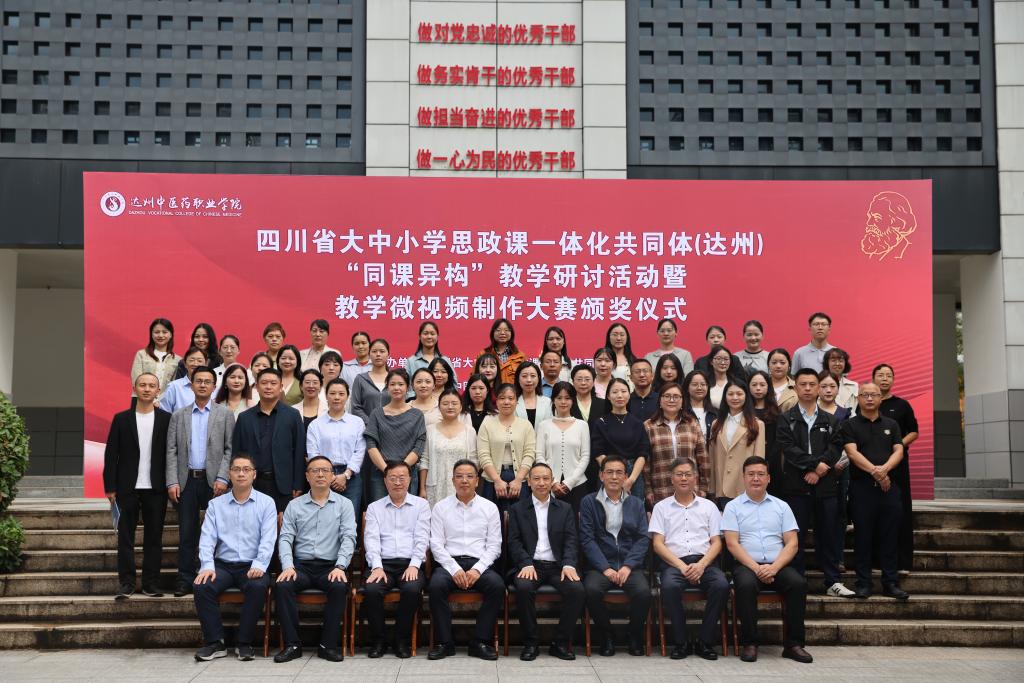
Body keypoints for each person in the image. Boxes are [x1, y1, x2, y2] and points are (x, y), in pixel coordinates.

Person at [722, 456, 812, 664]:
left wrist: (773, 568)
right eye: (751, 474)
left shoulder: (782, 506)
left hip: (777, 564)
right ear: (743, 478)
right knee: (745, 585)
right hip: (747, 565)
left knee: (798, 584)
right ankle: (750, 643)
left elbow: (792, 543)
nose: (756, 478)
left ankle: (794, 645)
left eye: (761, 474)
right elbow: (732, 544)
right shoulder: (733, 507)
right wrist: (757, 568)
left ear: (769, 478)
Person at [775, 369, 853, 598]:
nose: (808, 388)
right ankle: (797, 582)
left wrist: (821, 468)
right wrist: (813, 466)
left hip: (825, 486)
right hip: (796, 486)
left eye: (812, 384)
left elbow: (836, 446)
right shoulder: (786, 419)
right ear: (796, 387)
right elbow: (788, 448)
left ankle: (833, 581)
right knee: (795, 536)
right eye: (803, 384)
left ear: (819, 388)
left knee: (828, 534)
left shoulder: (831, 420)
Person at [192, 453, 278, 662]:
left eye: (246, 469)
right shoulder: (216, 505)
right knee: (202, 586)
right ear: (229, 474)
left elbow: (268, 539)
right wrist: (207, 566)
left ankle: (244, 643)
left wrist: (260, 564)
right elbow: (207, 538)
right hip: (223, 565)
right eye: (236, 469)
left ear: (254, 474)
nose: (241, 473)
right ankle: (215, 643)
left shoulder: (266, 503)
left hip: (252, 565)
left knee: (257, 586)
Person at [272, 455, 356, 663]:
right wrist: (288, 566)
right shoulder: (294, 505)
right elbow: (285, 538)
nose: (320, 474)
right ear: (307, 476)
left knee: (339, 587)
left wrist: (340, 566)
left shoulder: (344, 505)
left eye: (325, 470)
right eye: (315, 470)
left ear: (332, 475)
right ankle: (292, 645)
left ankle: (327, 645)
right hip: (301, 567)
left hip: (331, 566)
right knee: (283, 586)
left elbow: (349, 538)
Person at [649, 457, 729, 660]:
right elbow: (658, 544)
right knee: (669, 587)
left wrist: (701, 565)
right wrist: (682, 567)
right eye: (679, 474)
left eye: (688, 474)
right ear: (671, 479)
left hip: (705, 561)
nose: (683, 478)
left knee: (721, 585)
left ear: (695, 478)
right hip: (673, 563)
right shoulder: (661, 507)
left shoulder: (709, 507)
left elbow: (717, 543)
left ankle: (705, 642)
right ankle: (681, 642)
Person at [166, 366, 235, 597]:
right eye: (199, 381)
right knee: (187, 534)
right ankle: (185, 579)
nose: (203, 385)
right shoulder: (179, 415)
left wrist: (223, 477)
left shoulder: (225, 414)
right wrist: (172, 481)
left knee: (218, 533)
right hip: (186, 481)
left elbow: (230, 448)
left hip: (215, 482)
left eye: (207, 381)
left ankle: (214, 576)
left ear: (214, 387)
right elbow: (171, 451)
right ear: (192, 385)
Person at [427, 459, 505, 661]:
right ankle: (445, 643)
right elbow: (436, 545)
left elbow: (494, 546)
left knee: (497, 586)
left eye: (469, 476)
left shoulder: (489, 508)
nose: (464, 480)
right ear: (452, 480)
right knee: (435, 585)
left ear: (477, 481)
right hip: (449, 563)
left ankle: (479, 641)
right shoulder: (440, 508)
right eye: (459, 476)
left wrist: (477, 570)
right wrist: (454, 569)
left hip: (479, 564)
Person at [507, 462, 585, 661]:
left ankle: (560, 643)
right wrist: (525, 563)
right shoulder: (517, 509)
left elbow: (571, 540)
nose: (541, 483)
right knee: (523, 588)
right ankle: (531, 642)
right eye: (536, 479)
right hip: (531, 565)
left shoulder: (565, 509)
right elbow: (514, 542)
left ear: (552, 482)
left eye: (545, 479)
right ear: (528, 482)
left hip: (558, 566)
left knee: (576, 590)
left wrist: (569, 564)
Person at [841, 382, 911, 600]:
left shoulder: (891, 424)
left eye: (874, 395)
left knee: (890, 536)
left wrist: (885, 470)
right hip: (862, 489)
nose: (869, 398)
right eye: (865, 395)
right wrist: (876, 473)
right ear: (858, 398)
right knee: (863, 537)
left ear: (881, 398)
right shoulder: (850, 425)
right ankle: (864, 583)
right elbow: (852, 453)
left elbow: (899, 451)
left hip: (890, 488)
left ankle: (890, 583)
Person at [104, 373, 170, 599]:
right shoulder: (121, 419)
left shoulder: (166, 419)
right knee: (125, 538)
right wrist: (110, 487)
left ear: (158, 391)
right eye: (142, 385)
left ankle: (151, 584)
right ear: (134, 388)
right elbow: (111, 455)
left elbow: (171, 453)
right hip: (126, 487)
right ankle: (127, 584)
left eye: (152, 386)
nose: (147, 389)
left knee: (154, 538)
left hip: (156, 487)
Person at [579, 455, 651, 657]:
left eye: (619, 472)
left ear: (626, 477)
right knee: (591, 590)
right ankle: (606, 636)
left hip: (629, 565)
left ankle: (634, 635)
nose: (614, 477)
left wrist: (628, 566)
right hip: (601, 565)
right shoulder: (589, 502)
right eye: (609, 472)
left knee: (643, 593)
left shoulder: (636, 503)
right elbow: (587, 540)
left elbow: (642, 538)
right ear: (601, 475)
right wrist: (605, 568)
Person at [362, 461, 431, 658]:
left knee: (411, 589)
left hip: (410, 563)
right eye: (393, 478)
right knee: (372, 590)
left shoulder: (421, 505)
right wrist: (376, 567)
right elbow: (371, 539)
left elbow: (422, 538)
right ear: (385, 481)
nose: (398, 482)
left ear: (410, 479)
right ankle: (379, 640)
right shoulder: (375, 508)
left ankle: (401, 640)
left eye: (402, 478)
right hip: (382, 564)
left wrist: (415, 565)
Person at [232, 368, 306, 513]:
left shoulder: (292, 415)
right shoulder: (244, 418)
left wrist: (298, 483)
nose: (268, 387)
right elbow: (236, 452)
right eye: (264, 383)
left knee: (282, 524)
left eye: (273, 383)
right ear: (257, 386)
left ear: (281, 387)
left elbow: (299, 451)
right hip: (252, 484)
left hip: (283, 485)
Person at [874, 363, 919, 571]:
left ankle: (902, 562)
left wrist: (897, 445)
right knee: (875, 513)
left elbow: (914, 431)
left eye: (888, 375)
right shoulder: (867, 403)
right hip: (872, 467)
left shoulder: (902, 405)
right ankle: (876, 561)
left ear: (893, 379)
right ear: (873, 379)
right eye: (880, 375)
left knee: (900, 512)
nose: (884, 379)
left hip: (897, 465)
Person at [364, 369, 427, 501]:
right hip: (381, 473)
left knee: (408, 510)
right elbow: (371, 444)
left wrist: (401, 471)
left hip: (408, 473)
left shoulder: (417, 415)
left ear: (407, 387)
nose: (396, 388)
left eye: (401, 384)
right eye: (392, 384)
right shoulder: (377, 414)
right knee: (380, 510)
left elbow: (419, 445)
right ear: (387, 387)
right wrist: (387, 471)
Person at [306, 378, 365, 515]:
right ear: (326, 396)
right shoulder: (316, 425)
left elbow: (360, 451)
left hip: (351, 477)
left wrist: (346, 475)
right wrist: (331, 477)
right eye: (332, 393)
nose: (336, 397)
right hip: (323, 476)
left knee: (350, 517)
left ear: (347, 396)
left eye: (341, 394)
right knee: (325, 517)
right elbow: (313, 454)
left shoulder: (357, 422)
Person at [643, 382, 709, 506]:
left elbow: (702, 457)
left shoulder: (692, 423)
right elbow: (646, 462)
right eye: (667, 396)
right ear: (660, 400)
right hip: (661, 488)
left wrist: (704, 487)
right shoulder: (649, 426)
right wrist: (648, 489)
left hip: (691, 489)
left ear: (682, 401)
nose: (671, 400)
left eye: (676, 396)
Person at [477, 383, 536, 516]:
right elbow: (483, 454)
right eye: (502, 398)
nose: (506, 402)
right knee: (492, 518)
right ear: (496, 401)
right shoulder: (487, 424)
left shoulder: (525, 425)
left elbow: (529, 454)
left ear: (517, 401)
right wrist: (497, 480)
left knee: (520, 519)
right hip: (492, 479)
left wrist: (519, 479)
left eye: (511, 398)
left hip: (520, 478)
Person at [708, 382, 765, 508]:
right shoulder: (716, 424)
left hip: (745, 486)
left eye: (739, 394)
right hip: (722, 487)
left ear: (746, 396)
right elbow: (712, 458)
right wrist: (712, 487)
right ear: (725, 397)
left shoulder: (757, 424)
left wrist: (758, 484)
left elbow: (759, 459)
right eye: (730, 394)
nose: (735, 397)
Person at [592, 378, 650, 501]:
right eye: (615, 392)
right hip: (608, 472)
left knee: (633, 510)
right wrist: (612, 474)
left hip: (633, 474)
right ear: (608, 396)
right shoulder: (601, 422)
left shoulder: (638, 423)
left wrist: (630, 480)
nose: (619, 395)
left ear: (629, 395)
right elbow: (598, 452)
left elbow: (643, 453)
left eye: (623, 391)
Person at [535, 382, 591, 511]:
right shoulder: (544, 425)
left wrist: (570, 481)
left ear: (573, 400)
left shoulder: (582, 425)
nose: (563, 402)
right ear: (553, 400)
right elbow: (539, 456)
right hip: (548, 486)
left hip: (577, 484)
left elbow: (585, 456)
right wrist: (552, 481)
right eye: (559, 398)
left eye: (567, 398)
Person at [421, 388, 477, 507]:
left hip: (463, 486)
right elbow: (425, 460)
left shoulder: (469, 431)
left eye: (454, 403)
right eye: (445, 403)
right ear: (439, 407)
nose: (450, 407)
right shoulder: (430, 431)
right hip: (436, 487)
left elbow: (474, 461)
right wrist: (422, 488)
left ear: (461, 407)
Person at [748, 371, 782, 493]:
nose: (758, 388)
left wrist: (769, 460)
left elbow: (779, 440)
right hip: (748, 460)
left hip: (772, 462)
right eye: (754, 385)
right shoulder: (745, 412)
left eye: (762, 385)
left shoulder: (776, 412)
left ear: (768, 387)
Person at [130, 318, 178, 395]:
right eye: (157, 332)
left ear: (170, 335)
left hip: (165, 401)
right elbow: (136, 380)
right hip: (141, 399)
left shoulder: (177, 360)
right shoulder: (141, 355)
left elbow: (174, 386)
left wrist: (161, 399)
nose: (160, 335)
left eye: (164, 332)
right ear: (151, 334)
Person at [350, 338, 391, 424]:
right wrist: (371, 423)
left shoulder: (395, 378)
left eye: (382, 351)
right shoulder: (360, 379)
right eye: (374, 351)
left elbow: (402, 404)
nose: (378, 354)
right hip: (367, 428)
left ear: (388, 355)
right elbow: (355, 407)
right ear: (369, 354)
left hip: (392, 427)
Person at [159, 346, 207, 414]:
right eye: (191, 360)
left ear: (206, 364)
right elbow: (164, 413)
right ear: (185, 364)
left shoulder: (212, 387)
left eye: (199, 361)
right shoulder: (174, 386)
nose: (195, 364)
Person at [479, 318, 526, 385]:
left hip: (513, 391)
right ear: (493, 333)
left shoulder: (520, 356)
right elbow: (475, 377)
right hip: (490, 391)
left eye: (506, 330)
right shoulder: (483, 354)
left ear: (511, 333)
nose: (502, 333)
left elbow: (525, 378)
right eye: (498, 330)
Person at [514, 361, 552, 428]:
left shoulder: (548, 402)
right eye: (524, 376)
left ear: (538, 378)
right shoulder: (512, 402)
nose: (529, 380)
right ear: (518, 379)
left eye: (533, 376)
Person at [706, 345, 746, 409]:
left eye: (726, 359)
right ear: (711, 361)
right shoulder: (705, 382)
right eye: (719, 359)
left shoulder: (736, 382)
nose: (723, 362)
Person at [683, 370, 716, 443]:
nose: (699, 388)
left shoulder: (715, 413)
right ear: (687, 388)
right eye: (695, 384)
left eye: (703, 384)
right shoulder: (681, 411)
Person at [627, 358, 659, 422]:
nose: (641, 375)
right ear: (631, 377)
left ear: (652, 376)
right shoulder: (626, 400)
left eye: (645, 371)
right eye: (637, 372)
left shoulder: (660, 399)